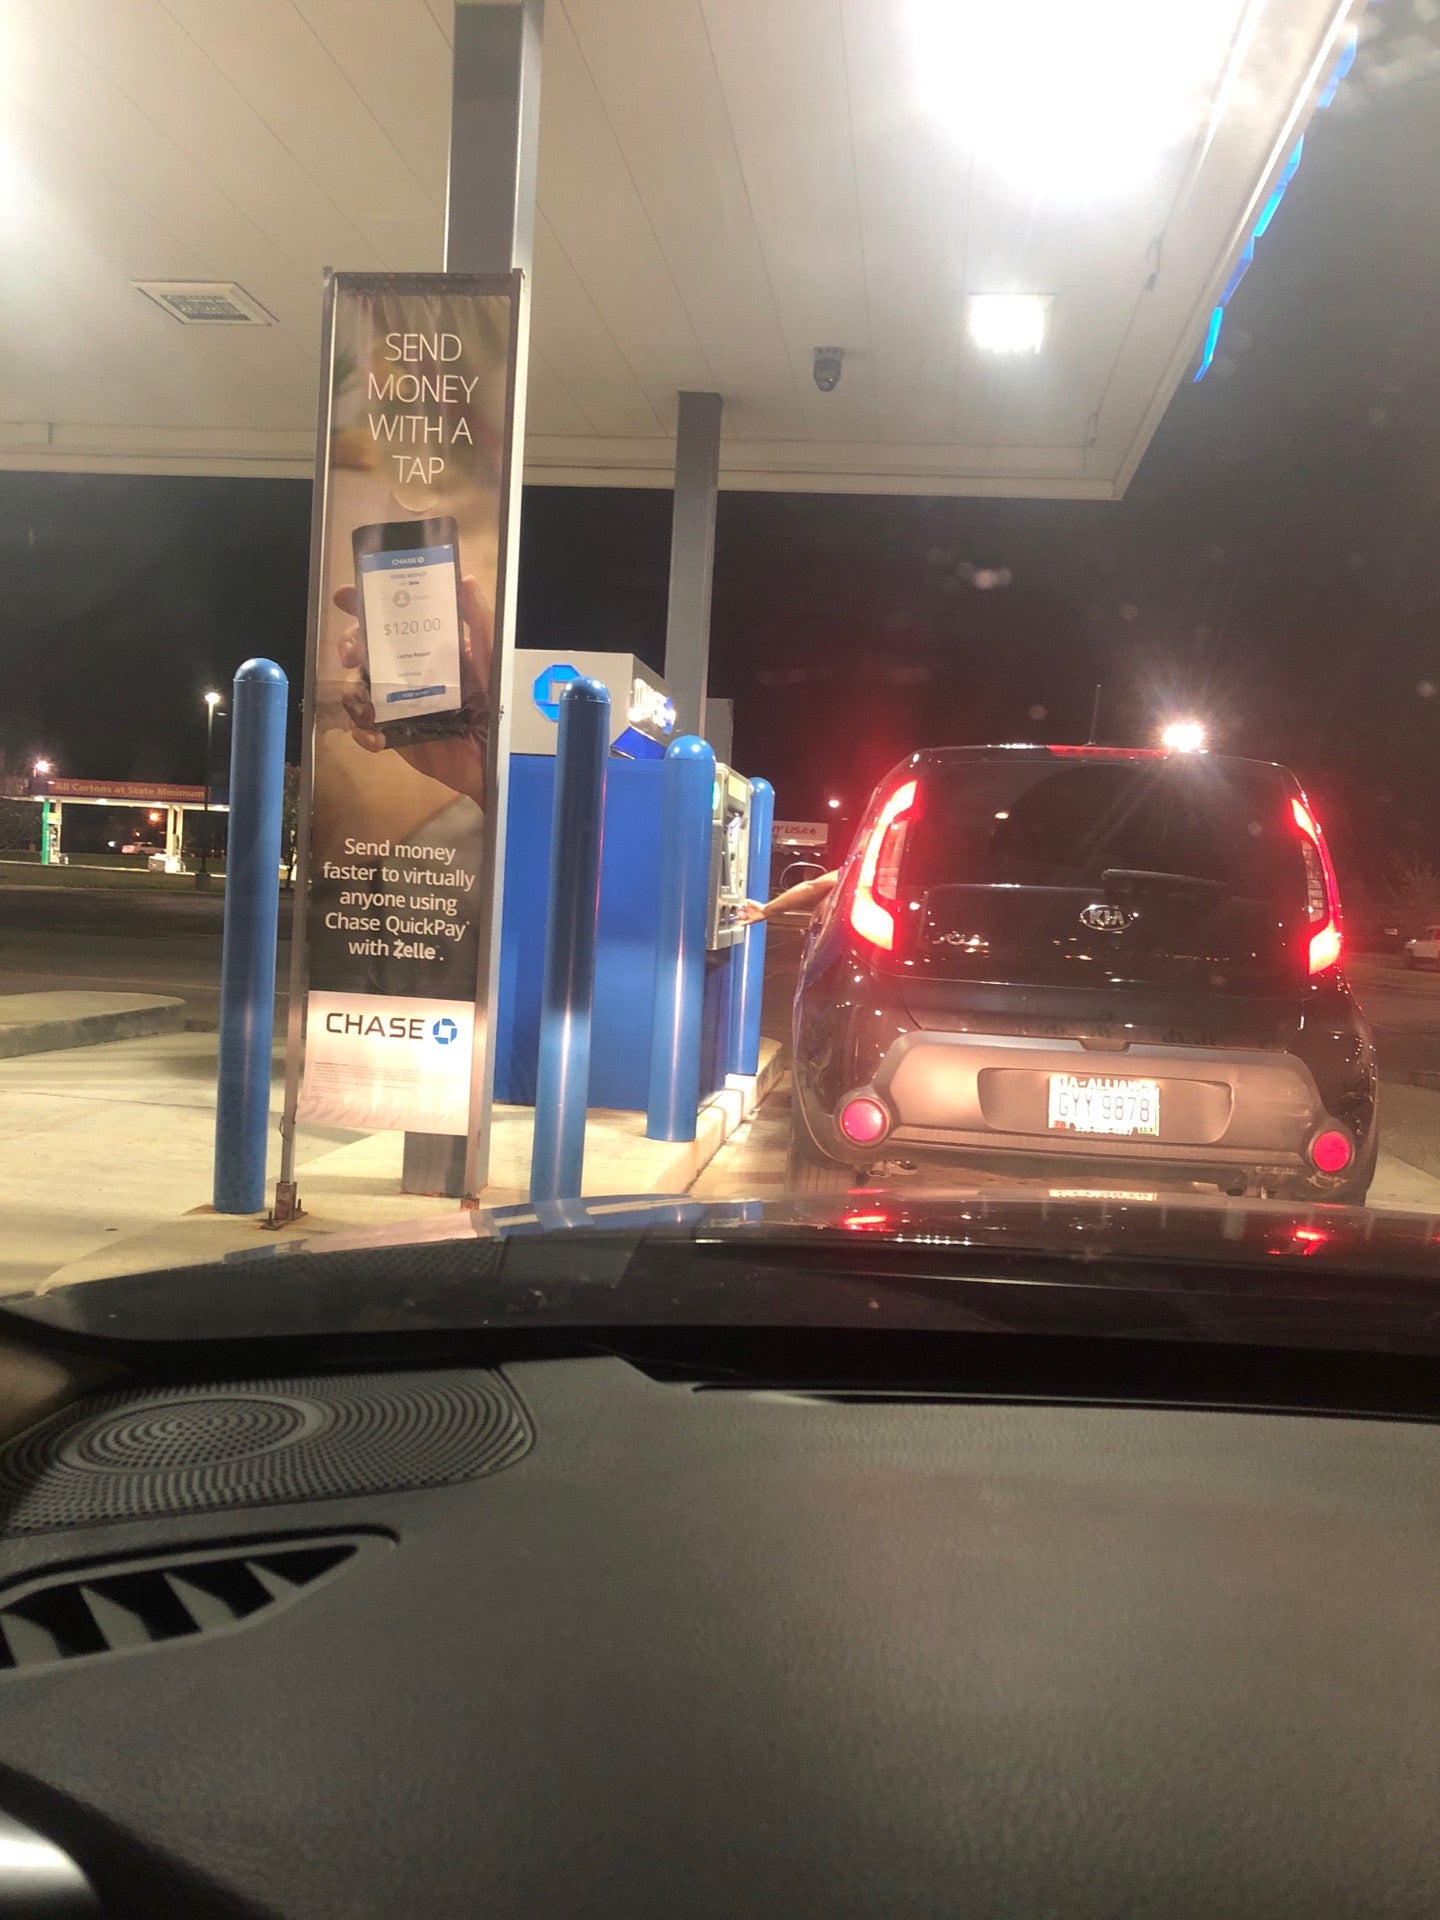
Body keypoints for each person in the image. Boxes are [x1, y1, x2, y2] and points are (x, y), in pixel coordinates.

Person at [739, 869, 838, 925]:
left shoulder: (847, 877)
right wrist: (765, 911)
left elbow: (812, 888)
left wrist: (766, 910)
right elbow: (811, 888)